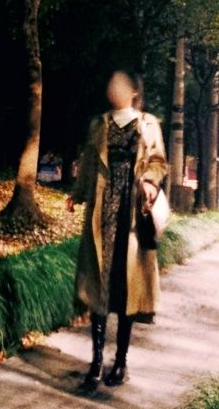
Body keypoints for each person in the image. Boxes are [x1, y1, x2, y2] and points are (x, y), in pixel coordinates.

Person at [65, 69, 168, 389]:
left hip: (132, 213)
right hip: (102, 211)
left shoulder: (148, 124)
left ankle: (120, 361)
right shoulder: (99, 124)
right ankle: (96, 362)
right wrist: (77, 194)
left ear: (134, 92)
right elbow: (89, 162)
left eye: (121, 85)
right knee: (100, 285)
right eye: (111, 84)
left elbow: (158, 161)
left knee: (126, 289)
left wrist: (149, 182)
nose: (114, 89)